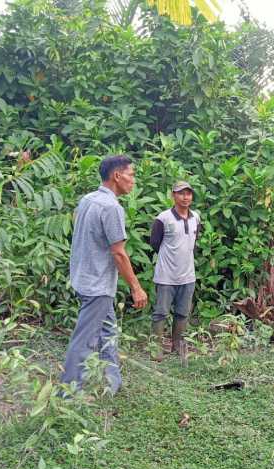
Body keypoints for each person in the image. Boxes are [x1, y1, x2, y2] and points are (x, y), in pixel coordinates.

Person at [61, 155, 148, 394]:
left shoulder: (88, 199)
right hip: (97, 285)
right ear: (116, 176)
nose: (133, 180)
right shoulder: (111, 207)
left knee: (108, 333)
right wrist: (136, 287)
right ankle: (67, 396)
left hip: (85, 278)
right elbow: (118, 253)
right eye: (131, 175)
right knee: (84, 342)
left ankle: (111, 384)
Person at [149, 181, 201, 361]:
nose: (185, 197)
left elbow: (193, 243)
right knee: (160, 313)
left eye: (188, 193)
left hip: (188, 276)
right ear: (173, 195)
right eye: (181, 193)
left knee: (182, 313)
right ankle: (155, 349)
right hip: (166, 276)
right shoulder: (163, 218)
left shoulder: (196, 218)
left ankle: (177, 347)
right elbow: (155, 243)